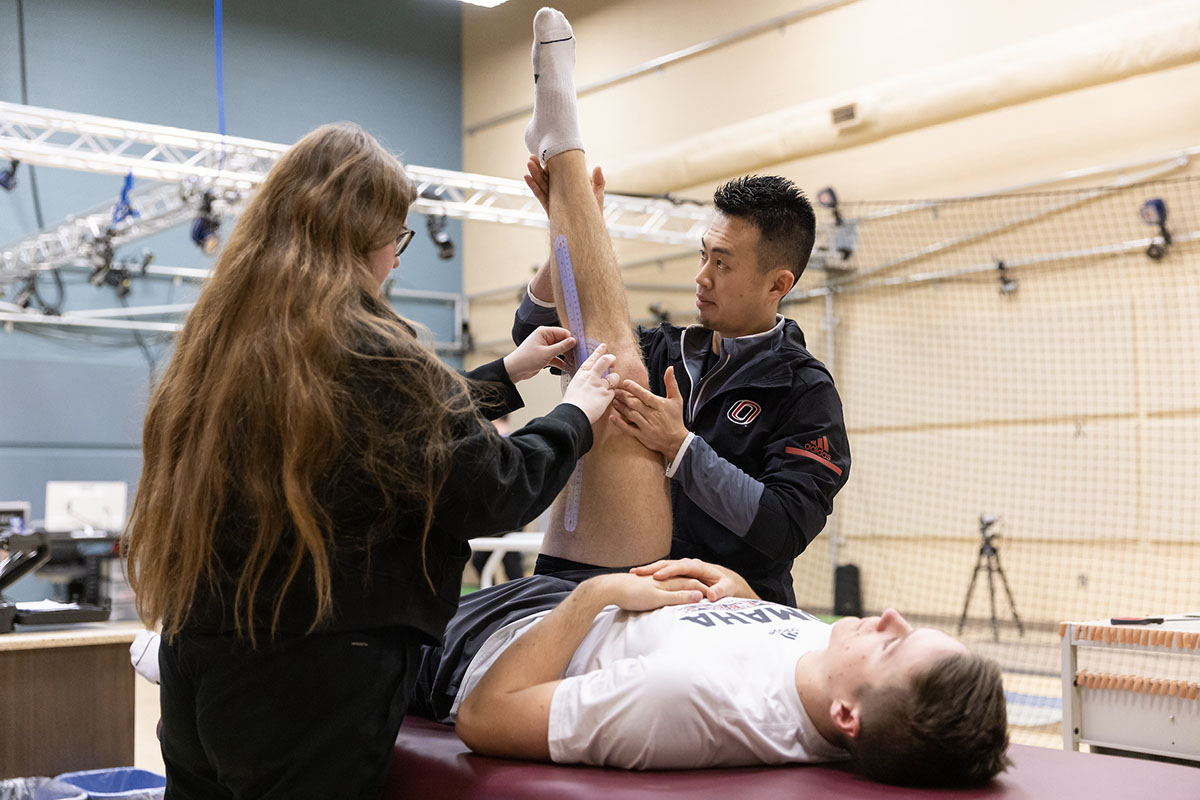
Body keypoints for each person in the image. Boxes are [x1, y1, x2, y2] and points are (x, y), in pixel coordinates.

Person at [123, 122, 623, 800]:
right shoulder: (369, 344)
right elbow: (494, 487)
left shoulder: (229, 333)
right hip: (313, 667)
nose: (395, 258)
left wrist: (506, 372)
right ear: (360, 236)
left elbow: (374, 429)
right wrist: (577, 415)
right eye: (396, 238)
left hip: (200, 645)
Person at [512, 12, 850, 606]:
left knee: (617, 370)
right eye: (703, 255)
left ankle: (565, 146)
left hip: (725, 605)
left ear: (779, 284)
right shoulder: (674, 347)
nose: (702, 277)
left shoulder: (803, 390)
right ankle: (565, 151)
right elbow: (536, 332)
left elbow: (782, 528)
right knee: (608, 365)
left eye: (722, 263)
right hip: (625, 576)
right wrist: (568, 221)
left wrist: (683, 448)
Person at [411, 555, 1010, 788]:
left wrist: (595, 595)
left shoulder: (690, 700)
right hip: (561, 599)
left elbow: (484, 716)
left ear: (847, 716)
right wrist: (742, 599)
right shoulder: (829, 656)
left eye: (892, 645)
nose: (889, 617)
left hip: (484, 638)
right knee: (625, 408)